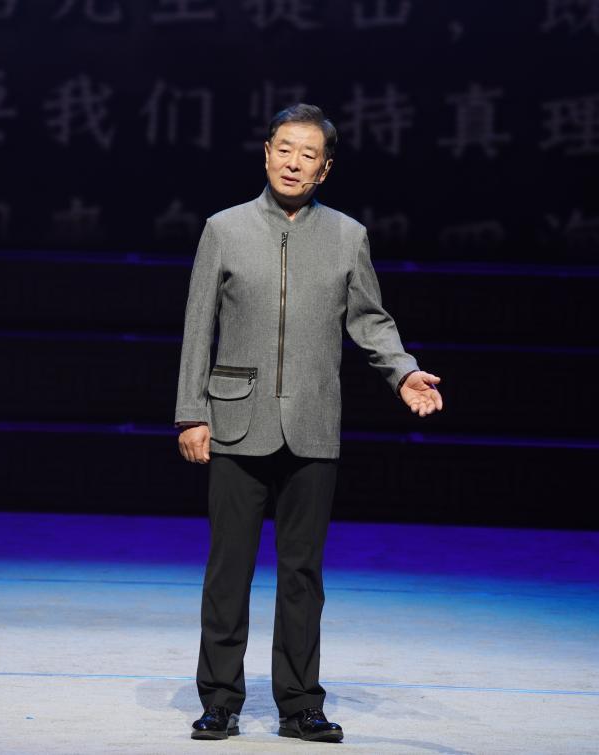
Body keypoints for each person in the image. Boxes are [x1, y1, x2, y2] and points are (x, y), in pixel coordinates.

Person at [174, 103, 443, 743]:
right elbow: (198, 327)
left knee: (302, 574)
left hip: (314, 423)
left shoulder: (348, 236)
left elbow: (370, 321)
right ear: (267, 153)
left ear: (325, 169)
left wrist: (403, 372)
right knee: (229, 570)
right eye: (285, 149)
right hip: (236, 420)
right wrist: (191, 413)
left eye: (309, 155)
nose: (294, 163)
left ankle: (299, 704)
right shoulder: (224, 229)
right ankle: (220, 700)